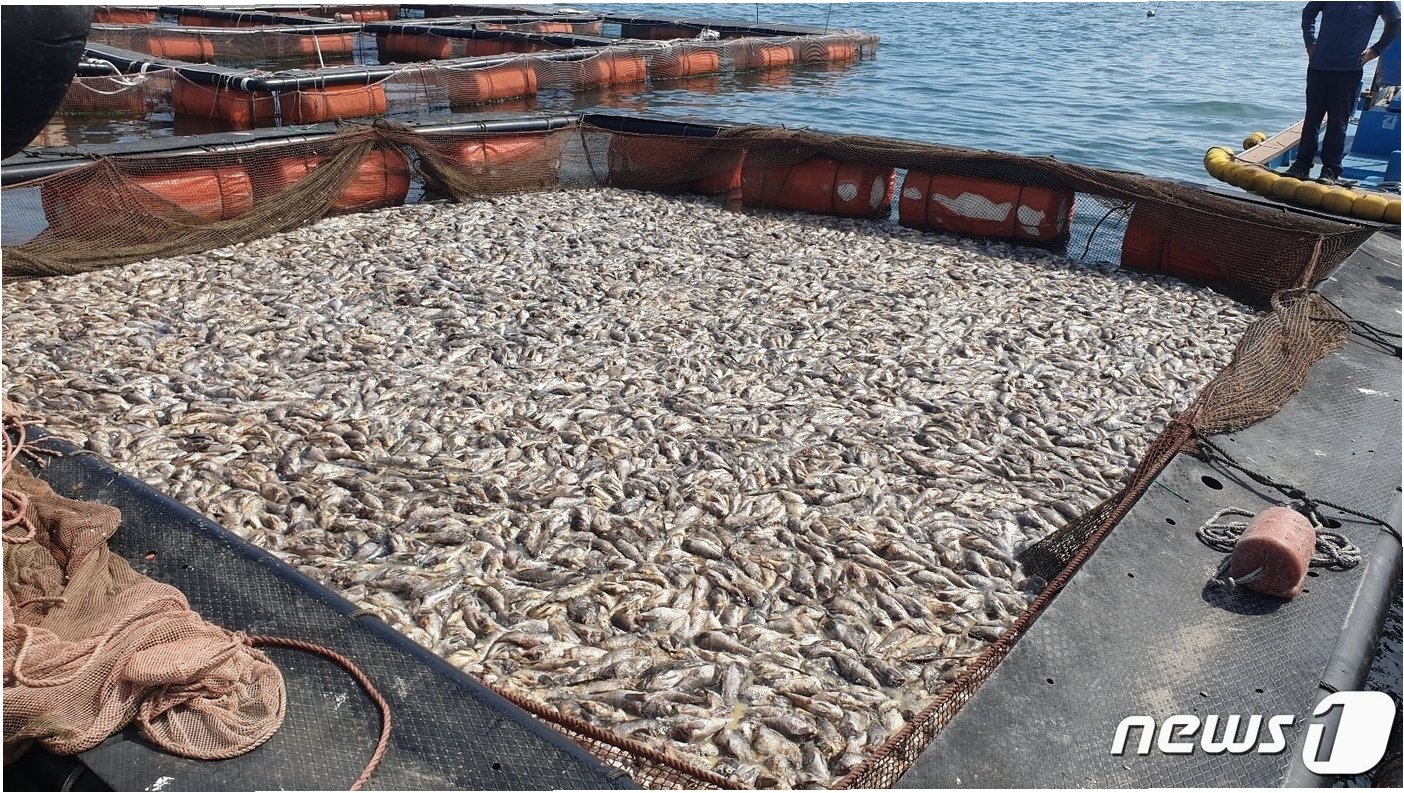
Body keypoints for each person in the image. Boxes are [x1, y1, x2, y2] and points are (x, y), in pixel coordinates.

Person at [1283, 2, 1400, 185]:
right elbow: (1309, 12)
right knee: (1312, 118)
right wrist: (1309, 41)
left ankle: (1330, 169)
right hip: (1318, 67)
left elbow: (1395, 22)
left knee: (1338, 121)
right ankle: (1301, 165)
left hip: (1348, 71)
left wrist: (1375, 50)